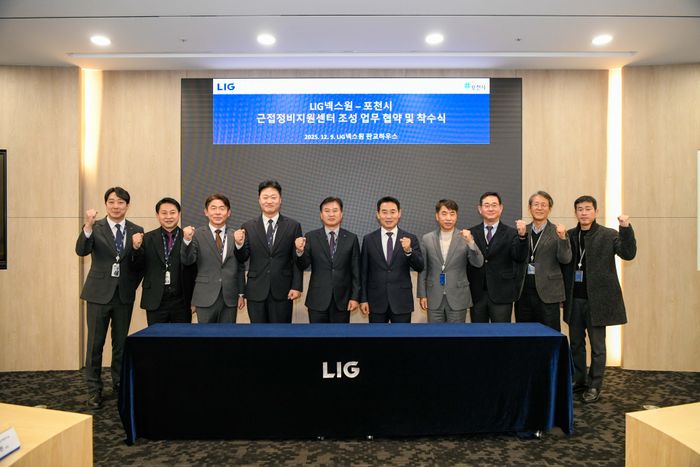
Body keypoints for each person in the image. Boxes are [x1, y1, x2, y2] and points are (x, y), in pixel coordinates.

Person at [75, 187, 144, 409]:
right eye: (112, 202)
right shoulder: (95, 227)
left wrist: (136, 249)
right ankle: (94, 390)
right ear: (106, 204)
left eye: (121, 202)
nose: (116, 206)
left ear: (127, 205)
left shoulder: (136, 230)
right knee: (95, 344)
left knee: (121, 344)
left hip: (123, 295)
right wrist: (87, 226)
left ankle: (119, 383)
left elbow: (139, 266)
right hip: (98, 294)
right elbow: (81, 251)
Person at [563, 195, 637, 403]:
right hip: (574, 300)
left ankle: (595, 385)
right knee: (576, 344)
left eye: (588, 209)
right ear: (575, 213)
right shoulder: (569, 235)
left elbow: (628, 253)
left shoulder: (608, 234)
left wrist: (625, 228)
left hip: (598, 301)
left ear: (596, 212)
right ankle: (579, 380)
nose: (584, 213)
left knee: (598, 347)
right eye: (580, 209)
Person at [236, 180, 303, 323]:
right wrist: (239, 244)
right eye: (265, 197)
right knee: (257, 333)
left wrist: (296, 286)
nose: (269, 201)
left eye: (273, 197)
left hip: (283, 290)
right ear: (259, 200)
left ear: (280, 200)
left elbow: (296, 260)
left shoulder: (293, 226)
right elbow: (242, 258)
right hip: (256, 290)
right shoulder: (248, 226)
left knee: (281, 333)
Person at [181, 194, 246, 323]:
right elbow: (187, 261)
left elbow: (240, 266)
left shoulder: (236, 235)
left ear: (228, 212)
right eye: (213, 208)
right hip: (204, 296)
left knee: (228, 334)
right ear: (206, 212)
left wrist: (241, 293)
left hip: (230, 297)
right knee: (205, 334)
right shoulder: (196, 235)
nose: (217, 212)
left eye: (222, 208)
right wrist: (187, 241)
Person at [295, 197, 361, 323]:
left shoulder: (351, 238)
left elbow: (356, 271)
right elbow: (303, 265)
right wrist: (299, 251)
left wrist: (355, 297)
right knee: (317, 334)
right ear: (321, 215)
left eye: (335, 210)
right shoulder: (311, 237)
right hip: (317, 300)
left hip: (343, 300)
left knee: (340, 335)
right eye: (327, 211)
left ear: (341, 214)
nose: (331, 214)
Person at [131, 197, 196, 325]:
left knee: (182, 336)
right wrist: (135, 248)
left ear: (179, 214)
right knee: (156, 337)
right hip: (155, 300)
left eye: (172, 212)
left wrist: (194, 300)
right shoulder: (147, 238)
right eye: (164, 213)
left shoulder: (187, 237)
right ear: (157, 215)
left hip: (182, 301)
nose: (168, 217)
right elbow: (137, 266)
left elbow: (193, 269)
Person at [417, 199, 484, 323]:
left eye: (452, 214)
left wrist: (471, 242)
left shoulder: (465, 237)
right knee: (435, 333)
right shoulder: (427, 239)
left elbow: (478, 263)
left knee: (456, 334)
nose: (448, 218)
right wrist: (422, 295)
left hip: (458, 296)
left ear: (456, 216)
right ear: (437, 216)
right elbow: (423, 269)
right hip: (433, 296)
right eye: (444, 214)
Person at [360, 196, 424, 323]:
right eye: (384, 212)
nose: (388, 216)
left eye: (393, 212)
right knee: (376, 335)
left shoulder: (410, 238)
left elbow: (420, 266)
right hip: (376, 302)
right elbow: (363, 272)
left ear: (399, 213)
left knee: (401, 335)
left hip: (402, 301)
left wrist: (408, 251)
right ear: (378, 214)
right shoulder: (368, 239)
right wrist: (363, 299)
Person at [515, 191, 572, 331]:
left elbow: (565, 259)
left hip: (549, 293)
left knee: (549, 335)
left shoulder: (558, 231)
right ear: (529, 208)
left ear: (549, 209)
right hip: (523, 293)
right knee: (524, 335)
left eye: (543, 205)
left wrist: (562, 238)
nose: (539, 208)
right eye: (536, 204)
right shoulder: (523, 230)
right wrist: (521, 236)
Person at [468, 192, 529, 323]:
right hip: (477, 294)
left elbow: (520, 257)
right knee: (478, 333)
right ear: (480, 209)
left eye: (494, 205)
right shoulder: (470, 233)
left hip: (502, 293)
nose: (490, 209)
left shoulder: (512, 233)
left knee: (501, 333)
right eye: (486, 205)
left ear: (501, 208)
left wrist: (522, 237)